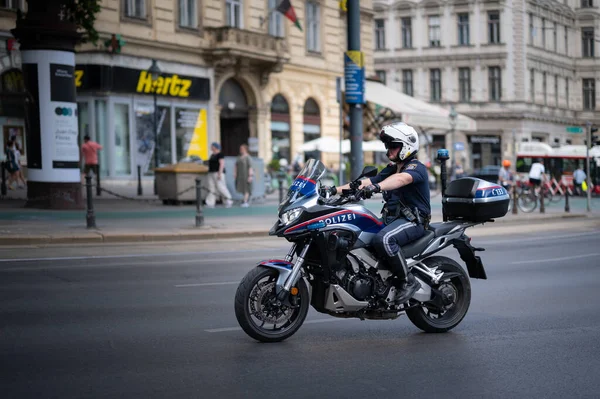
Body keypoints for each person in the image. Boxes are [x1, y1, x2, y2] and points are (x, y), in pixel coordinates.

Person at [322, 122, 430, 304]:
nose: (389, 150)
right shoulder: (391, 168)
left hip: (413, 222)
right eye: (388, 146)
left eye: (394, 146)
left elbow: (400, 179)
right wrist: (333, 190)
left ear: (407, 146)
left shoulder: (415, 167)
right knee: (356, 233)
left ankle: (408, 281)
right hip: (391, 220)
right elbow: (367, 181)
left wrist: (377, 187)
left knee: (385, 239)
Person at [205, 143, 233, 208]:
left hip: (218, 172)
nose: (211, 147)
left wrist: (220, 173)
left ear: (215, 147)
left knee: (221, 186)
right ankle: (210, 202)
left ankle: (228, 200)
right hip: (211, 172)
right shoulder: (212, 155)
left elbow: (222, 164)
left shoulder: (220, 155)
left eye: (212, 146)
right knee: (211, 188)